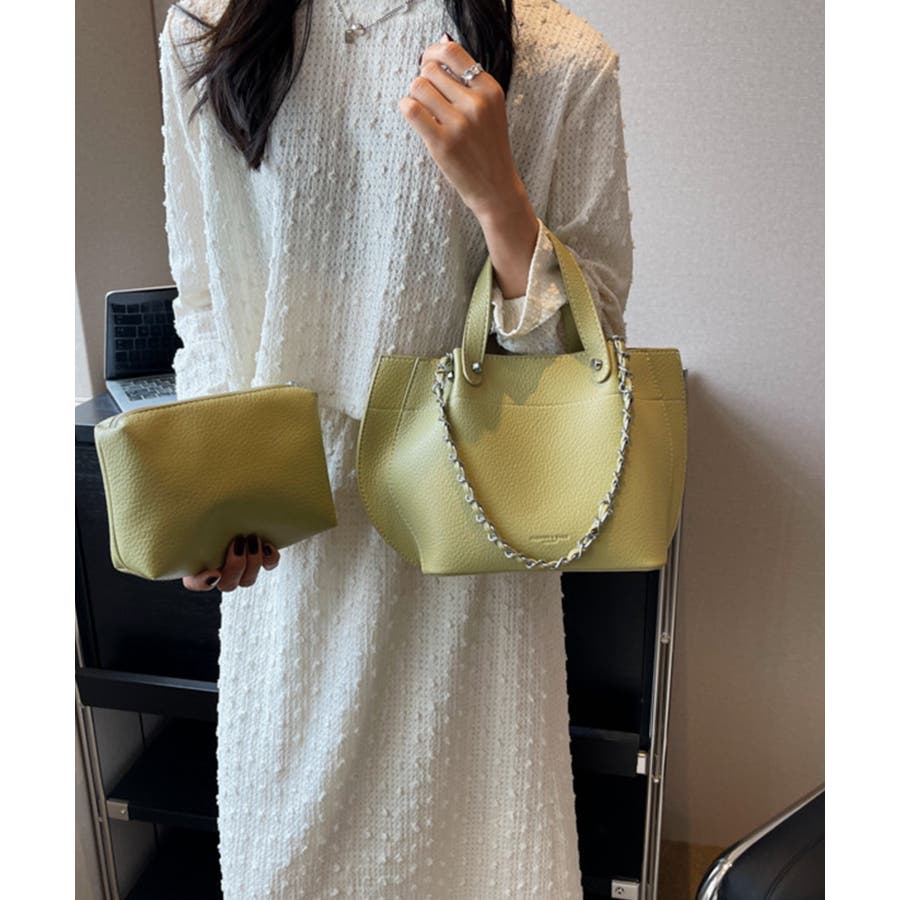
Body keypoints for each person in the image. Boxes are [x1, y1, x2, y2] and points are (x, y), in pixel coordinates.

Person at [158, 0, 633, 896]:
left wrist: (500, 199)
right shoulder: (209, 35)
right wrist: (211, 495)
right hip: (293, 576)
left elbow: (590, 356)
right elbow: (206, 295)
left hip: (468, 572)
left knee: (476, 865)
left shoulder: (560, 60)